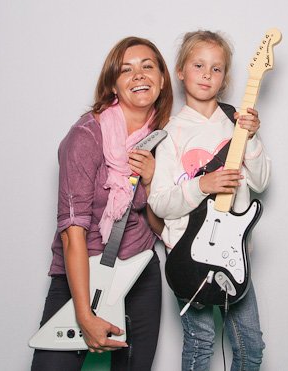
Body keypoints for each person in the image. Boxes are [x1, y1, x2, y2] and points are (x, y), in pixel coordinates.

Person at [31, 36, 173, 371]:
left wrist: (151, 181)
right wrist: (84, 315)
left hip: (139, 274)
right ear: (112, 84)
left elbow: (160, 227)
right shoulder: (86, 136)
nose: (139, 75)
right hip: (81, 275)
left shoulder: (166, 139)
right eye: (126, 70)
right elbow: (72, 233)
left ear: (162, 79)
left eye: (147, 66)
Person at [148, 30, 271, 370]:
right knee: (200, 344)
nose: (207, 74)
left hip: (233, 255)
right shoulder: (169, 133)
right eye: (198, 65)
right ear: (180, 71)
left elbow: (261, 181)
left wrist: (252, 137)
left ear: (225, 77)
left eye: (216, 69)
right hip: (187, 253)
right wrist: (203, 185)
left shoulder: (236, 123)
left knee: (250, 348)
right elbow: (159, 203)